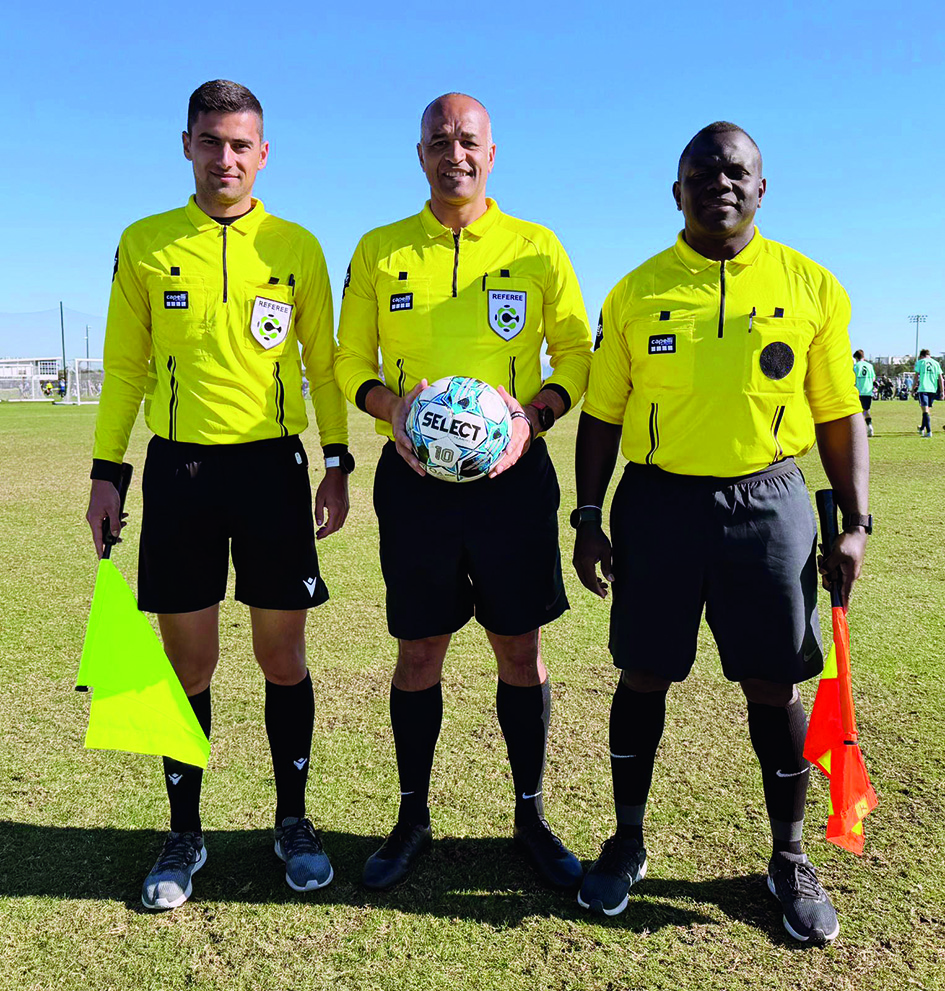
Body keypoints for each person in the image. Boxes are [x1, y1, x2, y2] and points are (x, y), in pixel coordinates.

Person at [572, 122, 870, 944]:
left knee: (774, 685)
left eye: (735, 171)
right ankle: (627, 841)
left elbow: (838, 411)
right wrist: (588, 516)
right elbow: (600, 415)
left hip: (769, 503)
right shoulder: (633, 292)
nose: (719, 184)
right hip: (658, 504)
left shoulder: (811, 285)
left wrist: (856, 522)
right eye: (700, 173)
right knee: (642, 674)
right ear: (676, 192)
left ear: (762, 187)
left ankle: (787, 854)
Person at [85, 80, 352, 910]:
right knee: (186, 661)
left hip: (272, 471)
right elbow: (125, 365)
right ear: (187, 145)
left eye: (240, 144)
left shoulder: (297, 246)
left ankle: (294, 821)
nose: (225, 157)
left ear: (262, 153)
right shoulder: (145, 242)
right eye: (210, 141)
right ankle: (184, 831)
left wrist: (336, 460)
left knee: (283, 657)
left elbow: (324, 362)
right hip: (180, 475)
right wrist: (107, 472)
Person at [335, 93, 592, 892]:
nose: (455, 152)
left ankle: (529, 815)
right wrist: (391, 408)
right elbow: (349, 362)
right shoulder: (380, 250)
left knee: (521, 649)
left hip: (514, 484)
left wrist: (532, 418)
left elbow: (575, 355)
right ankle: (412, 818)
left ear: (491, 151)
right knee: (418, 651)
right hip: (413, 485)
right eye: (439, 140)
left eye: (468, 139)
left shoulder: (536, 246)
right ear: (419, 154)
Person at [912, 349, 944, 437]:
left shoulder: (920, 362)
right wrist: (942, 391)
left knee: (925, 410)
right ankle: (922, 428)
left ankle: (929, 431)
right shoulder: (936, 363)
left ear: (921, 355)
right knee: (926, 410)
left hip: (923, 389)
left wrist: (913, 388)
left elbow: (916, 376)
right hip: (933, 389)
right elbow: (941, 378)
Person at [853, 350, 876, 436]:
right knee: (866, 410)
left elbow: (853, 378)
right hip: (868, 391)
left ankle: (859, 430)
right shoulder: (870, 366)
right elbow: (873, 379)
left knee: (857, 411)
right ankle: (869, 426)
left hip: (858, 391)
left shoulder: (855, 366)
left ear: (856, 358)